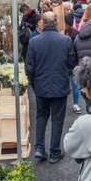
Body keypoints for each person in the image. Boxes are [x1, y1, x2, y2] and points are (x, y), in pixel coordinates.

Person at [25, 12, 75, 164]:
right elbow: (72, 63)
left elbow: (29, 67)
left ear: (43, 23)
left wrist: (34, 83)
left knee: (41, 117)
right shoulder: (66, 40)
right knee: (57, 119)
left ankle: (40, 148)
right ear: (55, 22)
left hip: (41, 86)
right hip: (59, 84)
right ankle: (54, 152)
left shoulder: (34, 41)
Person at [65, 13, 82, 114]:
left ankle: (75, 103)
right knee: (71, 84)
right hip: (70, 62)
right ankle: (74, 104)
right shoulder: (62, 32)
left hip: (72, 63)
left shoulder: (75, 34)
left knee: (75, 84)